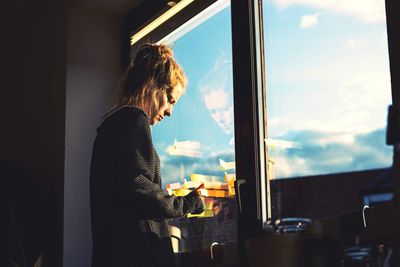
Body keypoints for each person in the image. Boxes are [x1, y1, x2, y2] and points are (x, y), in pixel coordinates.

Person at [89, 43, 205, 267]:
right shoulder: (134, 119)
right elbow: (138, 187)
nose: (170, 111)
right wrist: (189, 203)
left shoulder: (110, 126)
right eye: (171, 99)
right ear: (153, 86)